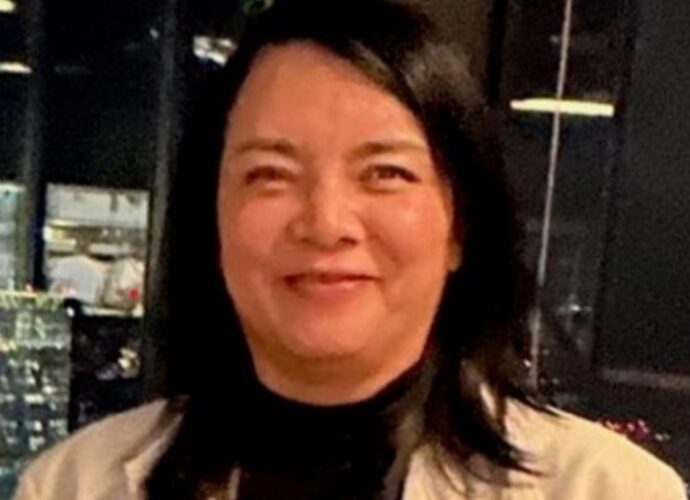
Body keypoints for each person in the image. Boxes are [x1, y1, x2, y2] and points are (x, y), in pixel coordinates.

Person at [14, 1, 687, 499]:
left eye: (385, 173)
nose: (326, 222)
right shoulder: (74, 485)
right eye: (270, 174)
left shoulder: (610, 490)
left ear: (459, 227)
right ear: (211, 216)